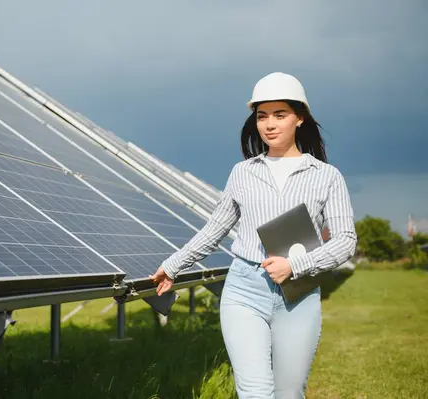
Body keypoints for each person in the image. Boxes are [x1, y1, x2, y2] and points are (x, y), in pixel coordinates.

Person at [149, 72, 358, 399]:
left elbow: (346, 241)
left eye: (280, 114)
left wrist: (296, 266)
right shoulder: (242, 173)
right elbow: (215, 229)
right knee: (255, 392)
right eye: (262, 116)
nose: (270, 124)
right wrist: (173, 265)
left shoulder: (327, 177)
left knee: (289, 392)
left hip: (299, 296)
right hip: (245, 289)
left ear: (299, 118)